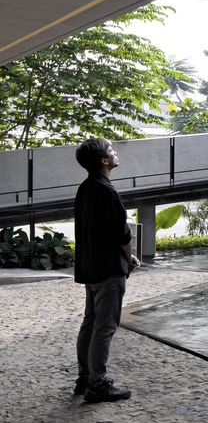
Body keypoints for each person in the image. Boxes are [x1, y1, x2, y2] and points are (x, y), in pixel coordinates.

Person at [73, 138, 140, 403]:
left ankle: (84, 378)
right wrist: (129, 259)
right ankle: (98, 384)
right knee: (105, 326)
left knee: (90, 323)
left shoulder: (86, 188)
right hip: (108, 269)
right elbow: (122, 233)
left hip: (90, 266)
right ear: (104, 161)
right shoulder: (107, 190)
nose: (115, 154)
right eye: (111, 151)